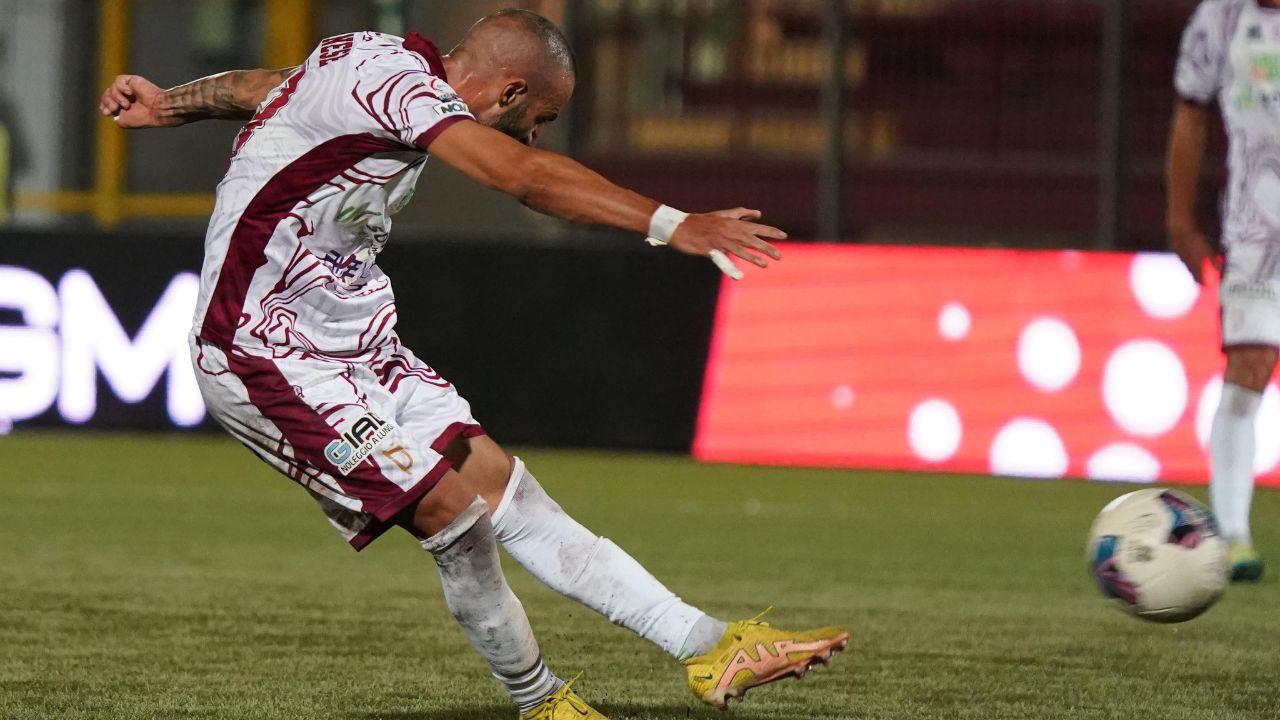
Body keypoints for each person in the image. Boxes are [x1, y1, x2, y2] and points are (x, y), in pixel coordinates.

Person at [99, 10, 847, 719]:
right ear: (512, 91)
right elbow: (521, 179)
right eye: (539, 119)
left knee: (509, 494)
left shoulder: (368, 54)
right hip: (260, 351)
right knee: (454, 519)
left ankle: (707, 646)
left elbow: (257, 86)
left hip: (358, 344)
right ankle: (540, 699)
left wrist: (170, 105)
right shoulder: (402, 88)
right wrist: (673, 223)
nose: (533, 134)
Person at [1168, 0, 1279, 582]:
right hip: (1256, 228)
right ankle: (1232, 534)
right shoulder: (1223, 16)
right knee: (1250, 366)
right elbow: (1191, 111)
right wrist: (1179, 220)